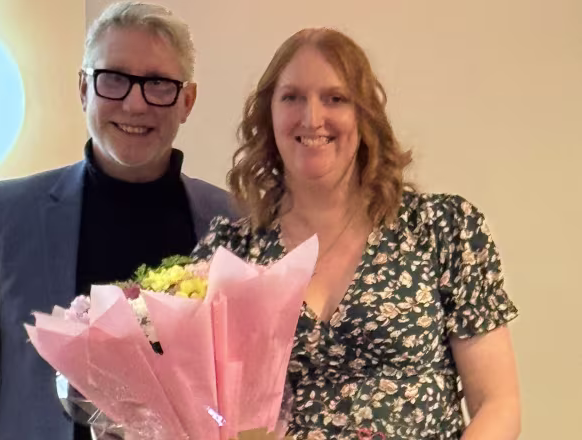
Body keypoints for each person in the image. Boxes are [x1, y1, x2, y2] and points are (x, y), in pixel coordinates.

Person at [0, 3, 237, 440]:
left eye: (158, 84)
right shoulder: (6, 215)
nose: (134, 103)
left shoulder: (230, 221)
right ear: (84, 89)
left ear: (187, 101)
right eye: (113, 78)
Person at [193, 28, 520, 439]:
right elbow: (202, 409)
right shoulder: (230, 254)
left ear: (364, 116)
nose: (312, 118)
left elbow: (497, 404)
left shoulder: (442, 229)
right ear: (268, 115)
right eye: (292, 97)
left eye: (335, 98)